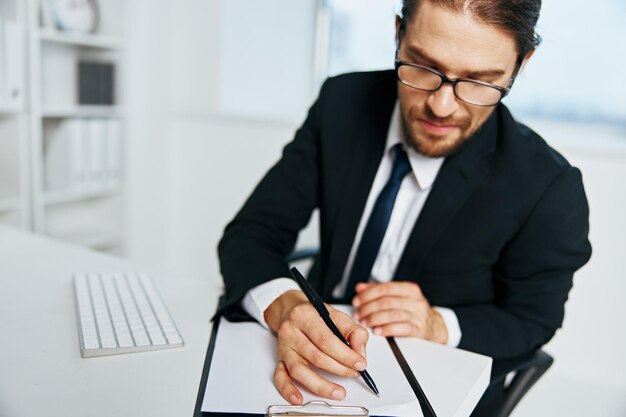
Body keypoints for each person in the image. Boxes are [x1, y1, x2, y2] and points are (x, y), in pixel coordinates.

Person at [217, 0, 592, 415]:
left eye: (480, 82)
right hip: (304, 362)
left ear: (521, 65)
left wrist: (438, 324)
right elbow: (251, 233)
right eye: (423, 67)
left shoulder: (548, 187)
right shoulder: (342, 103)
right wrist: (287, 305)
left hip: (433, 386)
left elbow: (533, 319)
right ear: (398, 34)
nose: (441, 107)